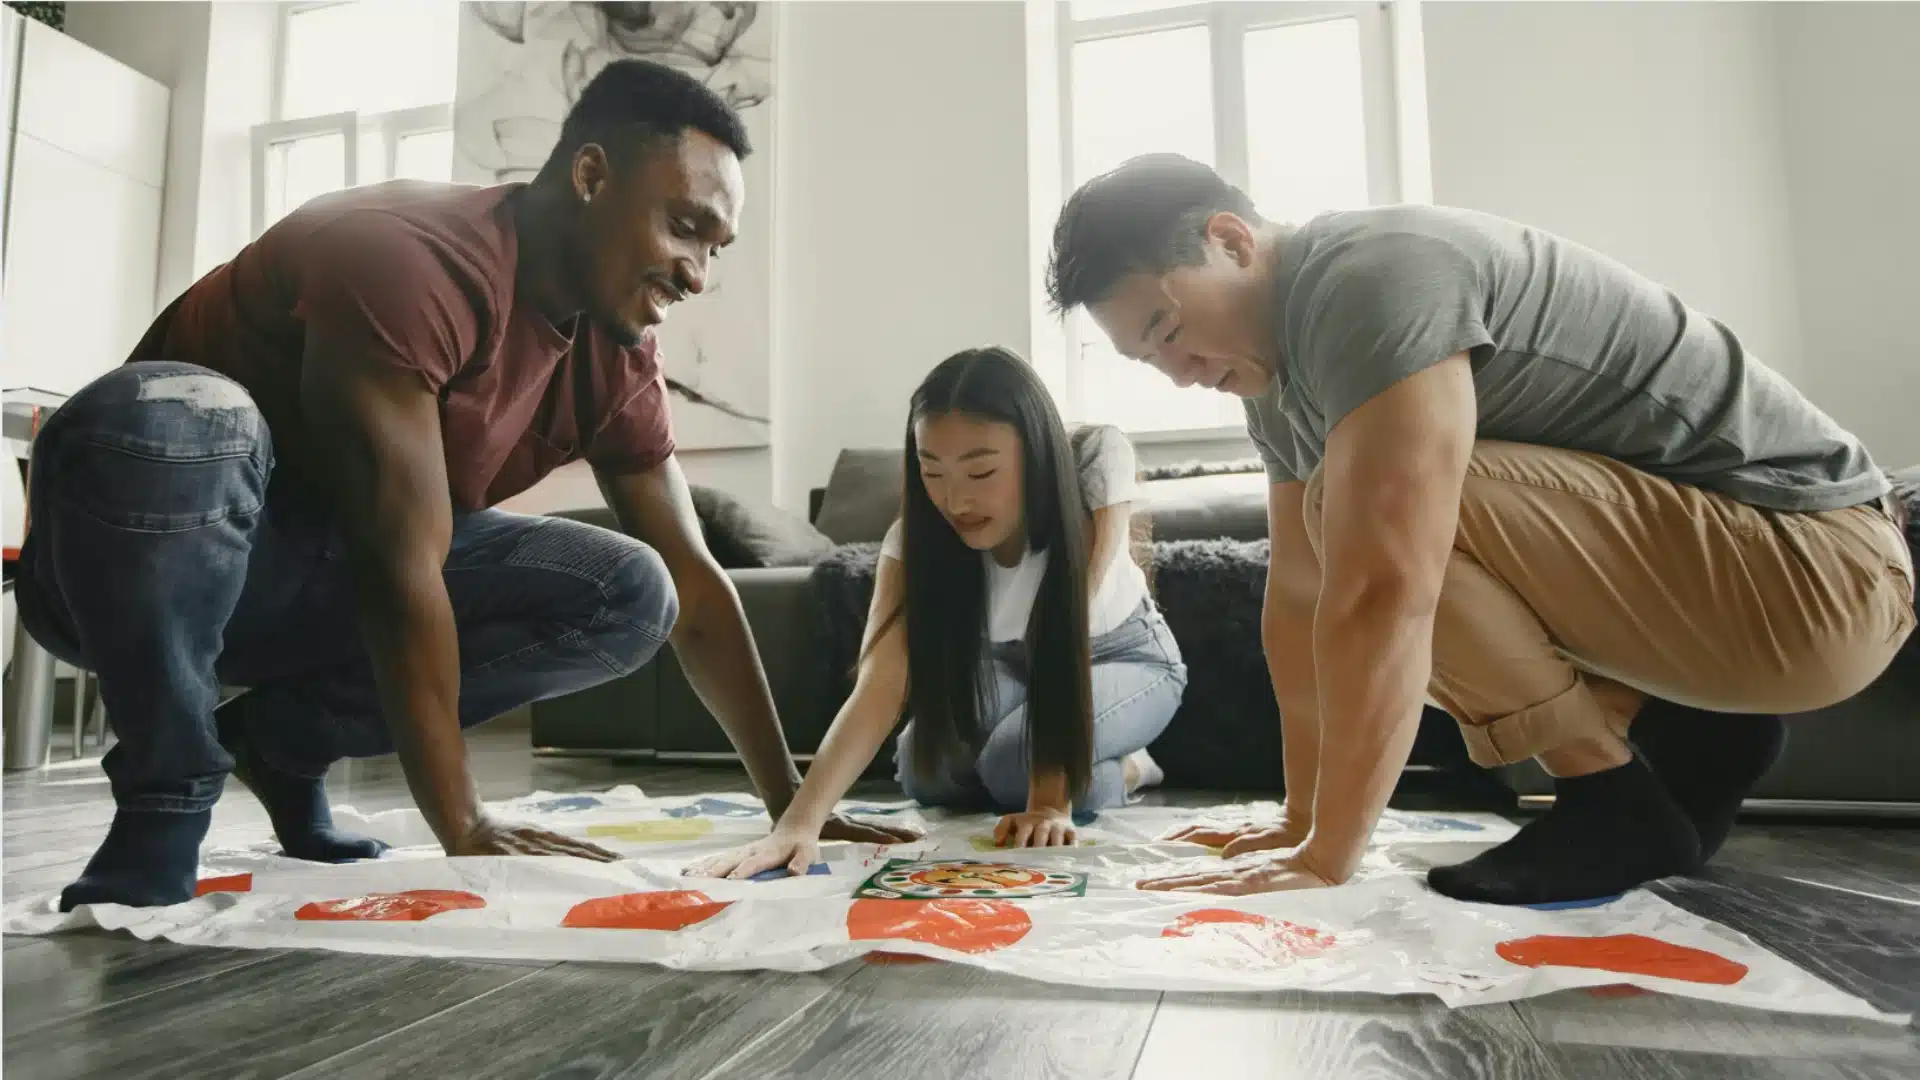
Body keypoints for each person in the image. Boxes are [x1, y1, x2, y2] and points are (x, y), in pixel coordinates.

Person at [14, 59, 912, 913]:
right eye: (683, 228)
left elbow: (695, 584)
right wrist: (465, 825)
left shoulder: (620, 353)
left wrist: (796, 807)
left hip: (311, 590)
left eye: (715, 248)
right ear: (592, 177)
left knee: (633, 589)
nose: (697, 274)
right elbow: (398, 565)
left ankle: (283, 744)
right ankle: (164, 800)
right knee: (188, 418)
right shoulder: (409, 257)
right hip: (135, 568)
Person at [1042, 153, 1913, 905]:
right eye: (1148, 359)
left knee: (1363, 516)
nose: (1180, 375)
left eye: (1169, 328)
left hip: (1820, 569)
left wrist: (1327, 858)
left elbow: (1386, 585)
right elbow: (1300, 600)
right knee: (1334, 522)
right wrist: (1298, 821)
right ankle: (1692, 725)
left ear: (1232, 241)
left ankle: (1608, 800)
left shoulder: (1370, 280)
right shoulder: (1277, 385)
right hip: (1728, 597)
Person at [687, 347, 1186, 879]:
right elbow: (881, 685)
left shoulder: (1091, 477)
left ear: (1037, 454)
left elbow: (1065, 642)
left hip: (1117, 656)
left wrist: (1047, 804)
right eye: (933, 472)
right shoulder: (914, 541)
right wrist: (798, 824)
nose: (955, 501)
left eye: (981, 471)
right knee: (925, 766)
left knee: (1012, 765)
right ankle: (1088, 760)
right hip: (1008, 665)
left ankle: (1132, 768)